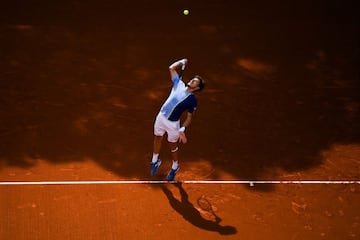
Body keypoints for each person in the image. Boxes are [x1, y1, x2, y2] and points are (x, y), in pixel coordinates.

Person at [150, 58, 205, 181]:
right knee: (157, 138)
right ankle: (155, 161)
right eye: (192, 79)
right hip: (161, 117)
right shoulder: (178, 84)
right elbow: (171, 68)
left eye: (195, 82)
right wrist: (182, 62)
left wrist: (183, 128)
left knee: (172, 145)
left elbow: (189, 117)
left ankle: (175, 166)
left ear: (197, 88)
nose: (192, 81)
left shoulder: (192, 100)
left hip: (173, 124)